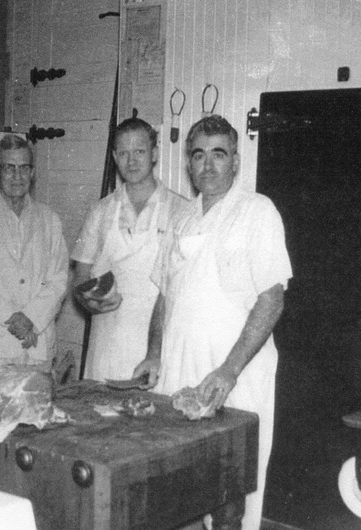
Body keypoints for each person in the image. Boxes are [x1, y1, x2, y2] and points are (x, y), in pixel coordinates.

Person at [133, 115, 292, 530]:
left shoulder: (258, 211)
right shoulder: (183, 216)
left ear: (235, 162)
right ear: (188, 163)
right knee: (175, 493)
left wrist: (228, 371)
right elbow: (165, 294)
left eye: (218, 154)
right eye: (198, 155)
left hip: (234, 377)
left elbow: (271, 300)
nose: (208, 164)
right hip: (178, 373)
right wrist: (153, 353)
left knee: (229, 498)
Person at [71, 117, 188, 381]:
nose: (131, 161)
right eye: (123, 153)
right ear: (114, 156)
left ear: (154, 153)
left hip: (158, 344)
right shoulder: (99, 211)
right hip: (107, 341)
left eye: (139, 152)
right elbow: (80, 277)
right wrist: (89, 301)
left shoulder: (181, 210)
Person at [0, 134, 69, 366]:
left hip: (37, 343)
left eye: (24, 168)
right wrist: (15, 320)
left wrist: (31, 318)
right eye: (9, 168)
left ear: (33, 173)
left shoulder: (50, 219)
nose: (17, 176)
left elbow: (58, 280)